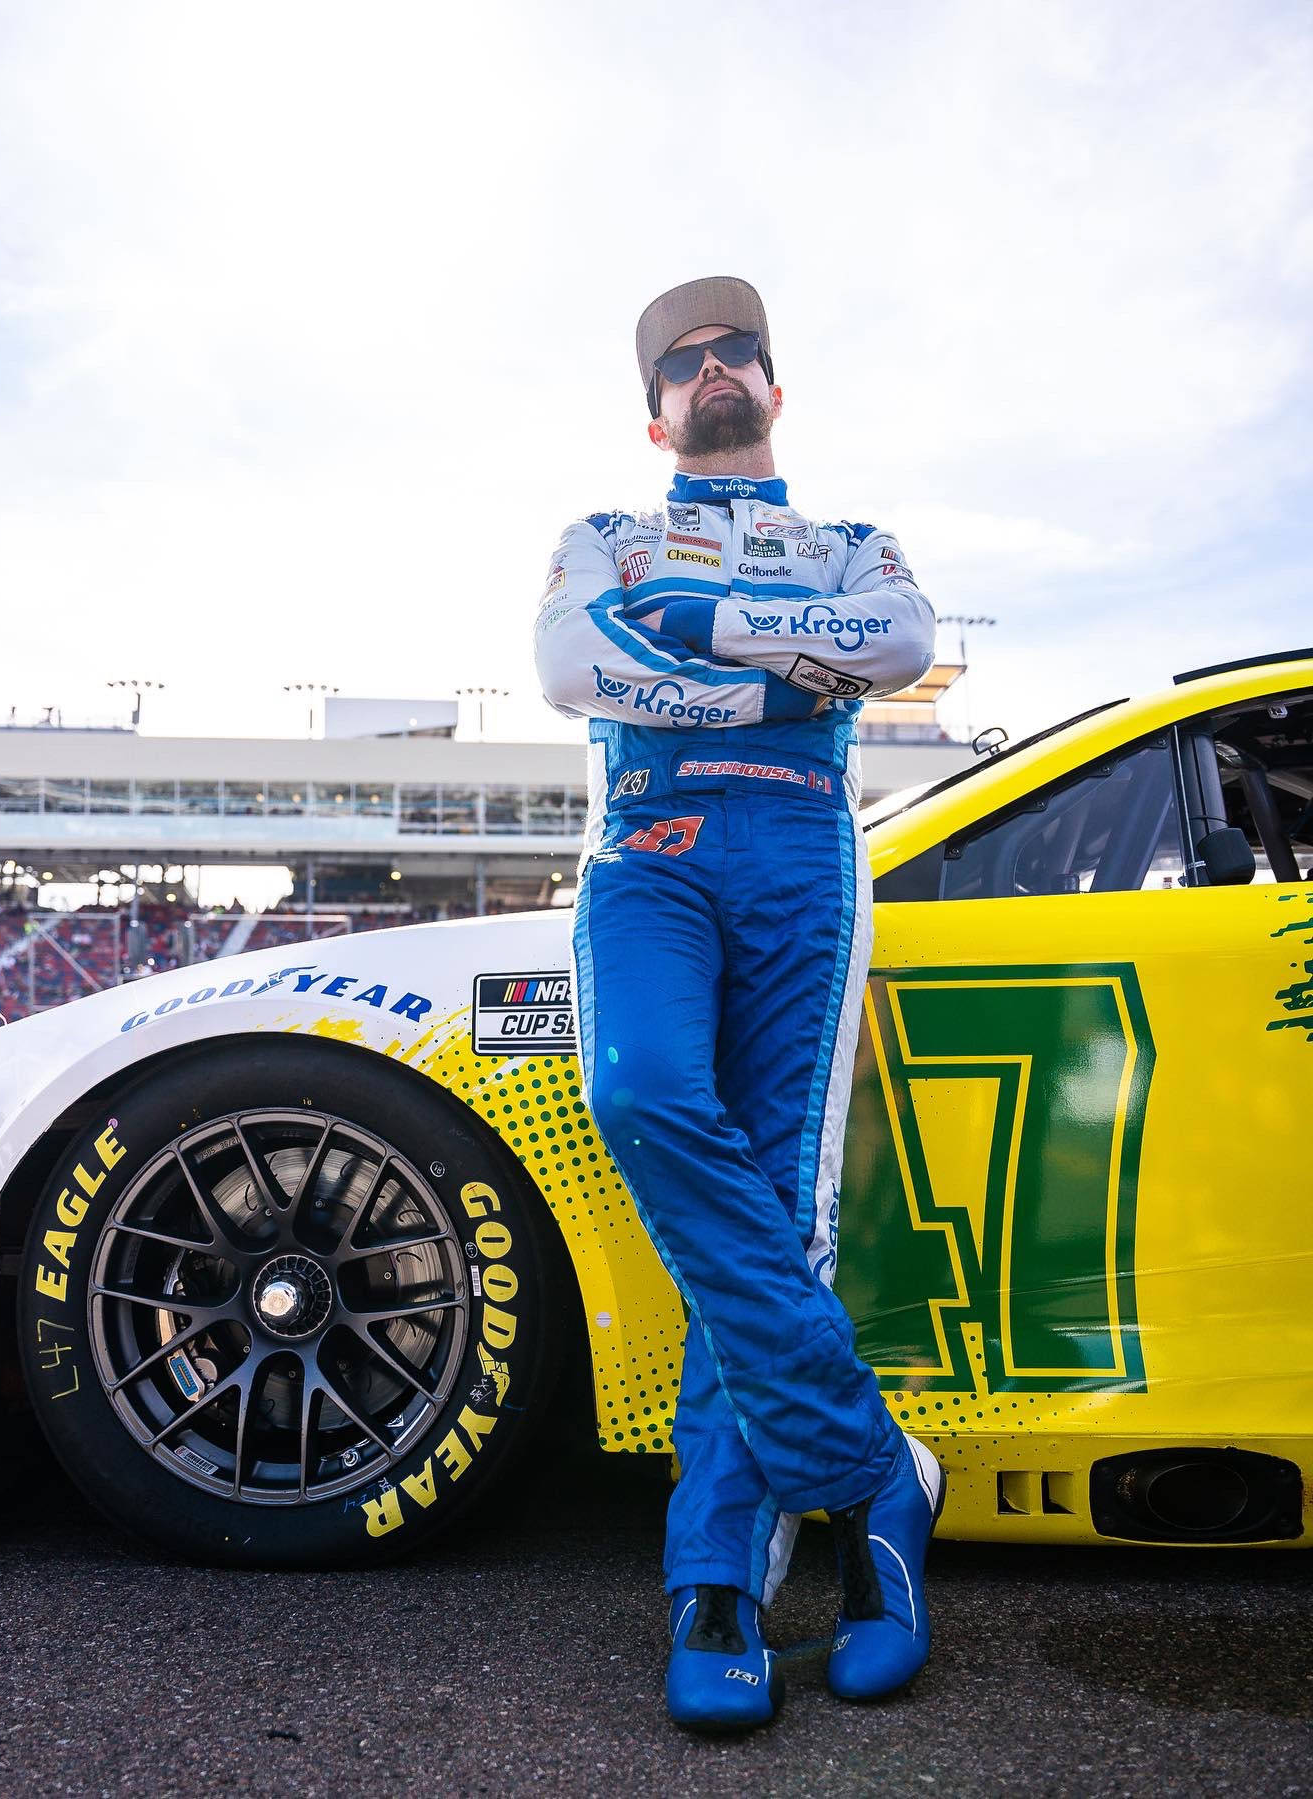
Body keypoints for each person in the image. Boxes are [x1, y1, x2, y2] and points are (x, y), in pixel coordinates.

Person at [534, 276, 945, 1732]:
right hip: (646, 855)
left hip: (800, 857)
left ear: (777, 389)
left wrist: (698, 636)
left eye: (739, 353)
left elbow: (901, 645)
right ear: (653, 412)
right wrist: (780, 666)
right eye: (684, 362)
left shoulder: (857, 542)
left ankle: (714, 1584)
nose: (714, 370)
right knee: (637, 1089)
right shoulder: (604, 536)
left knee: (778, 1207)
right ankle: (875, 1473)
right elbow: (579, 667)